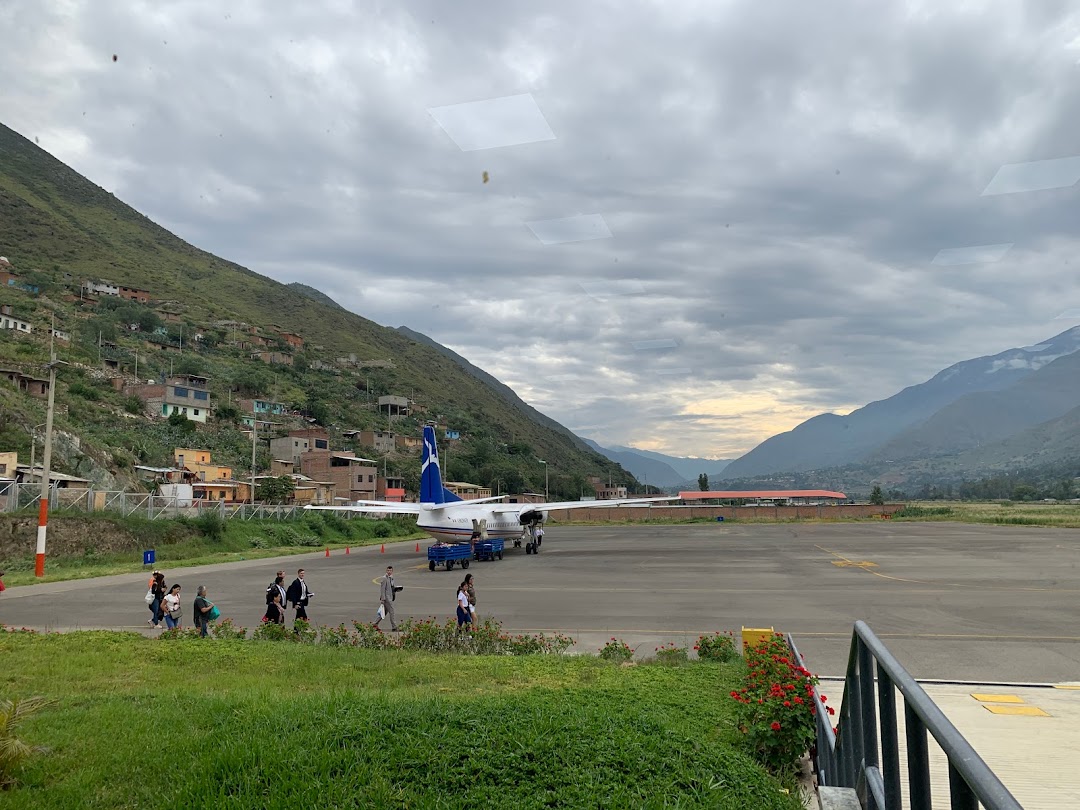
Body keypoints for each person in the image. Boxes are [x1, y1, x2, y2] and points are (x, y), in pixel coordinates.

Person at [373, 565, 399, 631]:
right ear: (386, 571)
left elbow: (391, 587)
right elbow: (382, 589)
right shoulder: (384, 578)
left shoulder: (391, 578)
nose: (389, 572)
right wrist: (383, 599)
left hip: (390, 597)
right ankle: (394, 626)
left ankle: (375, 624)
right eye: (388, 570)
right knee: (392, 612)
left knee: (384, 612)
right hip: (387, 598)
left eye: (390, 570)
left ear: (392, 571)